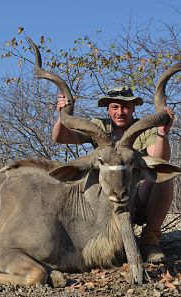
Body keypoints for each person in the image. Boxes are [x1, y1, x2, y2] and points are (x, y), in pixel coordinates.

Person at [52, 86, 175, 263]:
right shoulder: (99, 127)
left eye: (125, 107)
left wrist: (162, 134)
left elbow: (160, 158)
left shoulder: (145, 129)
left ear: (133, 108)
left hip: (134, 198)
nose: (120, 112)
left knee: (163, 178)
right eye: (115, 107)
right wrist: (62, 115)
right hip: (102, 203)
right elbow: (61, 137)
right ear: (108, 109)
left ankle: (150, 242)